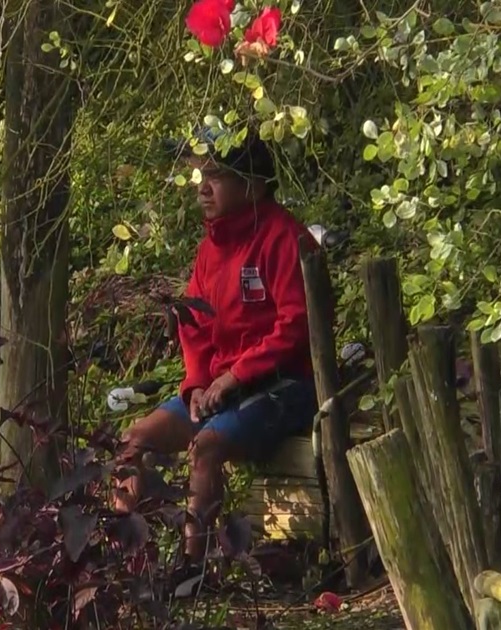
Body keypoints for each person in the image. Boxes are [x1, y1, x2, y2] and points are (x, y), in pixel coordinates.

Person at [114, 129, 320, 593]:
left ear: (253, 185)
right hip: (219, 389)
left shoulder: (286, 238)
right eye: (200, 175)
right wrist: (195, 386)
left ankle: (193, 571)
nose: (202, 187)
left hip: (283, 387)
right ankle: (128, 565)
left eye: (216, 176)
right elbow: (193, 324)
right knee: (132, 441)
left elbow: (295, 324)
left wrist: (233, 377)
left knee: (206, 446)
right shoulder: (210, 248)